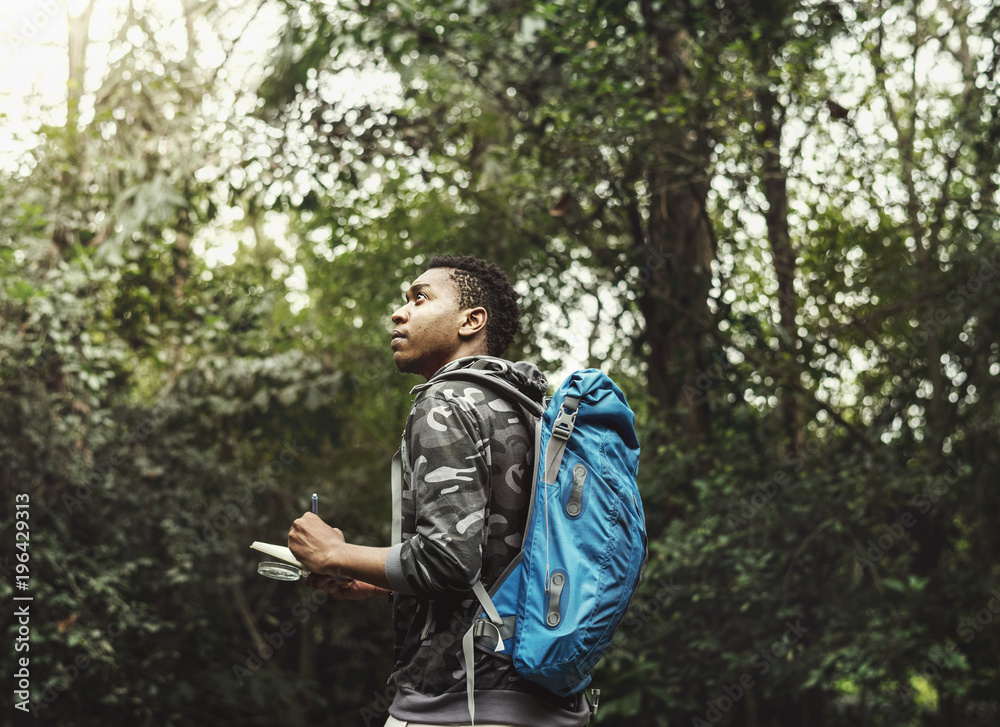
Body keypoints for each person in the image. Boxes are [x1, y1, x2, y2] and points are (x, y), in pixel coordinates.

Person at [288, 255, 591, 726]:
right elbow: (499, 561)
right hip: (547, 700)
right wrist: (376, 579)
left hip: (459, 702)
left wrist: (335, 553)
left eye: (419, 297)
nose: (399, 311)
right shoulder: (534, 414)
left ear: (471, 321)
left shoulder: (445, 400)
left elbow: (448, 561)